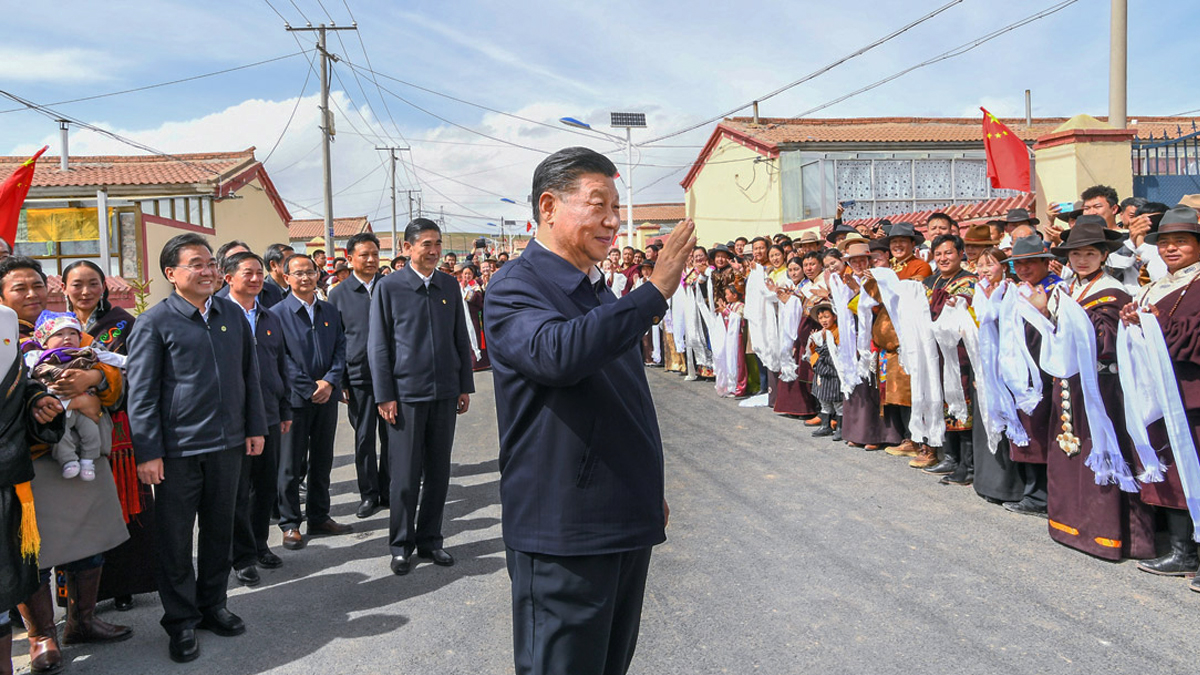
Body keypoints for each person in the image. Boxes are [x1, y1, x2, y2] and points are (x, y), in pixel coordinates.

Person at [484, 146, 695, 675]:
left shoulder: (597, 291)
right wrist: (653, 293)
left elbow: (623, 405)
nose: (613, 221)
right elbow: (557, 356)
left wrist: (644, 493)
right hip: (564, 529)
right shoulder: (517, 285)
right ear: (549, 206)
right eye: (598, 205)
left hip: (621, 516)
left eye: (616, 207)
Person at [126, 234, 266, 663]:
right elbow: (142, 393)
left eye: (210, 263)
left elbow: (249, 377)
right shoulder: (154, 322)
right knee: (175, 539)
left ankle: (213, 605)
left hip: (227, 445)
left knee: (220, 531)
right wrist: (148, 453)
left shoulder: (232, 316)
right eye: (196, 264)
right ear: (172, 274)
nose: (207, 271)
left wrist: (254, 427)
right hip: (177, 452)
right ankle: (181, 621)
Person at [2, 257, 131, 673]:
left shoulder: (69, 329)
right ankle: (42, 635)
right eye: (19, 288)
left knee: (88, 540)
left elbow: (111, 376)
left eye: (37, 285)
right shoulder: (4, 339)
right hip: (31, 459)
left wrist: (93, 383)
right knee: (32, 549)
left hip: (84, 452)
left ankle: (83, 620)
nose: (31, 294)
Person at [1027, 216, 1154, 560]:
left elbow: (1107, 342)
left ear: (1103, 256)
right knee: (1070, 451)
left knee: (1099, 447)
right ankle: (1070, 523)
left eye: (1089, 254)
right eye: (1075, 254)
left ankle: (1106, 532)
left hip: (1100, 385)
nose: (1081, 260)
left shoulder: (1110, 292)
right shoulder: (1067, 289)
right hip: (1068, 382)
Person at [368, 218, 474, 576]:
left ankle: (431, 540)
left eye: (437, 244)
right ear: (407, 248)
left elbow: (460, 336)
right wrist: (385, 394)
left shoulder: (448, 285)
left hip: (444, 392)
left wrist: (464, 384)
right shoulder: (390, 287)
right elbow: (378, 345)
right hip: (405, 395)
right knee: (405, 475)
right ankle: (401, 545)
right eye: (426, 244)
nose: (433, 251)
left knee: (439, 472)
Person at [61, 260, 154, 612]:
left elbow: (141, 371)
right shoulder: (56, 328)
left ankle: (124, 585)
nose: (85, 291)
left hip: (117, 428)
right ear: (65, 288)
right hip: (69, 431)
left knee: (122, 507)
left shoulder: (123, 324)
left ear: (105, 286)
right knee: (76, 510)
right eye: (77, 284)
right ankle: (79, 598)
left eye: (93, 283)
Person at [1120, 207, 1200, 591]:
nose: (1170, 249)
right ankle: (1182, 550)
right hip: (1159, 393)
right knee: (1174, 473)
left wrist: (1160, 323)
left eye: (1181, 241)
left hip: (1191, 390)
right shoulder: (1154, 285)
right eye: (1164, 242)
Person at [0, 301, 65, 675]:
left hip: (7, 478)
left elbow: (16, 386)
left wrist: (38, 399)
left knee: (8, 577)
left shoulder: (6, 320)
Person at [273, 253, 352, 552]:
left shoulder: (330, 311)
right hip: (294, 400)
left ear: (318, 274)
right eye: (298, 273)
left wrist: (330, 381)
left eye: (310, 272)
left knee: (323, 460)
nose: (305, 278)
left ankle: (319, 516)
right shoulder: (277, 314)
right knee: (291, 464)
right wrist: (308, 387)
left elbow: (340, 349)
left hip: (326, 397)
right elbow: (282, 359)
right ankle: (290, 523)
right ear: (286, 277)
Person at [222, 252, 292, 587]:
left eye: (259, 273)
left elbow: (281, 365)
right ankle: (242, 555)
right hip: (234, 419)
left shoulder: (269, 317)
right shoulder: (218, 316)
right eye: (247, 273)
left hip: (268, 413)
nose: (255, 279)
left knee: (266, 487)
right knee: (239, 491)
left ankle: (261, 543)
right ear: (228, 277)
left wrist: (285, 409)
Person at [328, 233, 391, 519]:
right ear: (350, 257)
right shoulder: (338, 294)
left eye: (375, 254)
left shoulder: (390, 287)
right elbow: (337, 340)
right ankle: (369, 494)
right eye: (364, 254)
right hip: (359, 376)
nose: (371, 260)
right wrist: (341, 381)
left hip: (392, 376)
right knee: (364, 438)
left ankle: (390, 490)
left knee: (392, 436)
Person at [1003, 235, 1063, 517]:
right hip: (1020, 371)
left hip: (1046, 371)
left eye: (1030, 263)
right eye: (1018, 264)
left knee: (1042, 431)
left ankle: (1042, 496)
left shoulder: (1057, 289)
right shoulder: (1017, 289)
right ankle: (1030, 491)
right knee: (1025, 429)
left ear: (1045, 262)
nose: (1024, 269)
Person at [24, 312, 119, 481]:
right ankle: (68, 461)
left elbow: (114, 364)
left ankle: (88, 461)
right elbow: (24, 376)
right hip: (55, 415)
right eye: (59, 334)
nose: (67, 338)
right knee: (61, 434)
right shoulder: (33, 354)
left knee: (91, 433)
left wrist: (95, 377)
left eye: (72, 333)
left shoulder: (87, 349)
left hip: (86, 412)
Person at [915, 235, 977, 474]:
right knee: (940, 400)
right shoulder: (932, 280)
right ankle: (950, 456)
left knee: (961, 402)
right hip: (935, 352)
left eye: (948, 253)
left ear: (960, 253)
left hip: (959, 353)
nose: (943, 258)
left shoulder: (969, 281)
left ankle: (967, 463)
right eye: (938, 254)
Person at [806, 304, 842, 440]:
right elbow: (812, 351)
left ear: (835, 317)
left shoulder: (837, 331)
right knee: (823, 399)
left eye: (826, 317)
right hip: (821, 370)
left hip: (833, 371)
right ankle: (825, 425)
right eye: (820, 318)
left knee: (837, 400)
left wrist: (821, 345)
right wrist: (814, 342)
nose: (823, 320)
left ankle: (840, 427)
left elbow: (836, 351)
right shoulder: (820, 333)